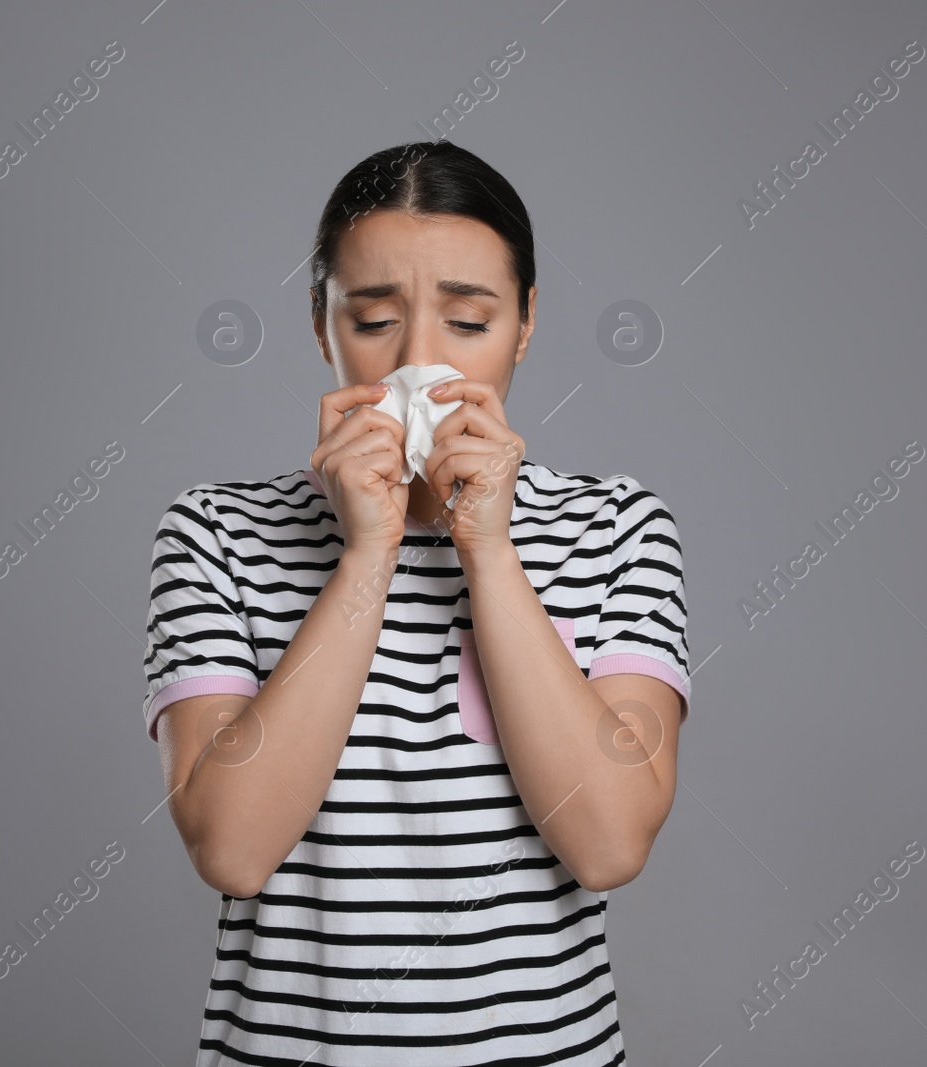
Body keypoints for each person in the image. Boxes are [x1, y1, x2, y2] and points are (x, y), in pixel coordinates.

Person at [143, 139, 691, 1066]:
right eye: (374, 319)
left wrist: (488, 547)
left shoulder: (619, 529)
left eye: (469, 323)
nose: (420, 364)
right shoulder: (214, 534)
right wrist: (368, 554)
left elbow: (608, 842)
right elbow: (232, 849)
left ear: (524, 326)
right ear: (322, 327)